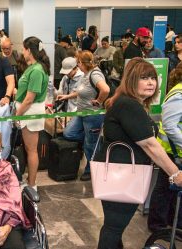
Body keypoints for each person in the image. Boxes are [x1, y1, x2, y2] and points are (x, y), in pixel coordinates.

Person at [95, 58, 182, 248]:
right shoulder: (129, 105)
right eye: (144, 78)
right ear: (132, 80)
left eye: (153, 77)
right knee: (114, 228)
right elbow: (150, 145)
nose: (151, 82)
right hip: (123, 175)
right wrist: (175, 173)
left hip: (118, 173)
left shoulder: (127, 102)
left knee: (113, 227)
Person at [63, 50, 110, 181]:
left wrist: (99, 101)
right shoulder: (85, 74)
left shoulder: (95, 74)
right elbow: (82, 91)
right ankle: (91, 141)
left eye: (78, 62)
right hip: (82, 112)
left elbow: (105, 89)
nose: (77, 65)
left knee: (91, 144)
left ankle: (91, 170)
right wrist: (67, 96)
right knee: (69, 133)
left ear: (83, 63)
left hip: (92, 115)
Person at [148, 62, 182, 232]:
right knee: (164, 189)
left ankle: (173, 222)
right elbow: (169, 126)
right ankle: (158, 226)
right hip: (172, 152)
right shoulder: (178, 93)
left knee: (174, 190)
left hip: (177, 151)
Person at [15, 36, 50, 190]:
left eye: (24, 49)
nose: (22, 52)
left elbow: (29, 99)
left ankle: (32, 185)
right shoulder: (33, 67)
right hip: (26, 111)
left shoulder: (36, 70)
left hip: (30, 112)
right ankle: (30, 180)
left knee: (31, 150)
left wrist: (17, 115)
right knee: (30, 149)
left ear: (29, 50)